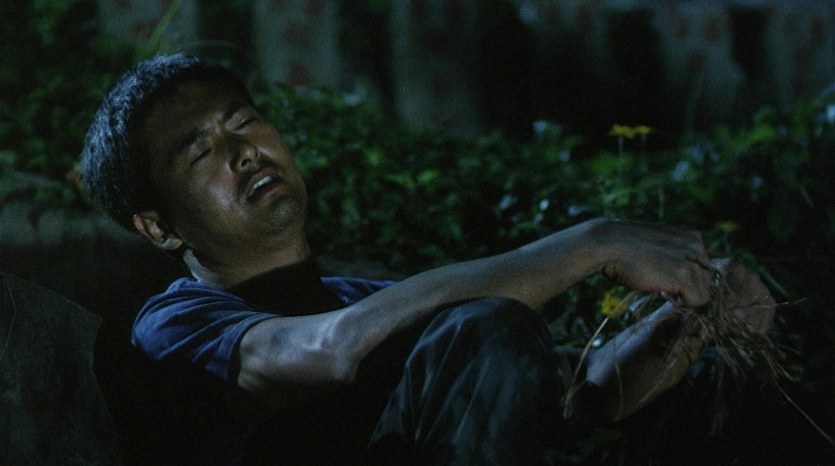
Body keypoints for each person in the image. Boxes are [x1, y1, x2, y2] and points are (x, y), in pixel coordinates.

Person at [80, 54, 775, 465]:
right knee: (486, 326)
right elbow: (327, 351)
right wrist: (592, 242)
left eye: (244, 122)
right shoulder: (175, 321)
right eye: (201, 152)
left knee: (718, 383)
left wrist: (694, 321)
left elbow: (583, 394)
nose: (244, 152)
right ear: (158, 227)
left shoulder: (362, 299)